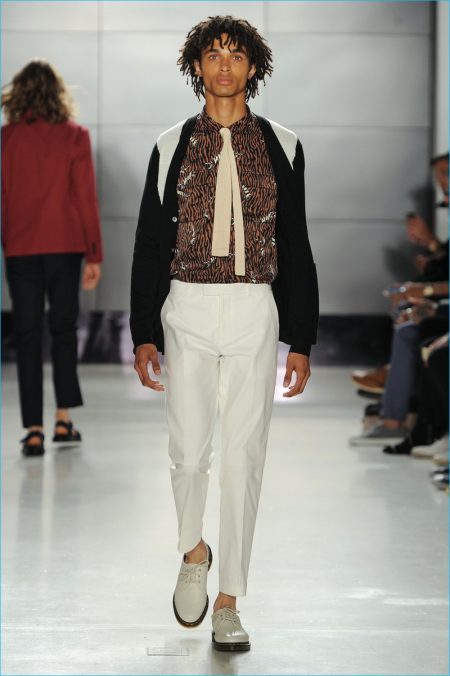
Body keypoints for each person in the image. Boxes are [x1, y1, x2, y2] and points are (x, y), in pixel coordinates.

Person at [130, 16, 318, 652]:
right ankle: (194, 552)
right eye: (213, 55)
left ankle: (230, 600)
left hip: (253, 307)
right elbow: (148, 242)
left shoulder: (284, 144)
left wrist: (302, 337)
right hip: (185, 304)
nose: (225, 66)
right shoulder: (170, 144)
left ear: (253, 68)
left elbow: (295, 243)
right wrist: (143, 329)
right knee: (187, 454)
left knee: (244, 459)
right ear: (197, 67)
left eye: (237, 56)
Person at [2, 60, 103, 457]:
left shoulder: (6, 139)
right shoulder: (75, 136)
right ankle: (63, 420)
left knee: (27, 336)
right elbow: (85, 198)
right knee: (63, 330)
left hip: (20, 247)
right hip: (66, 245)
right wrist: (94, 254)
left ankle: (33, 430)